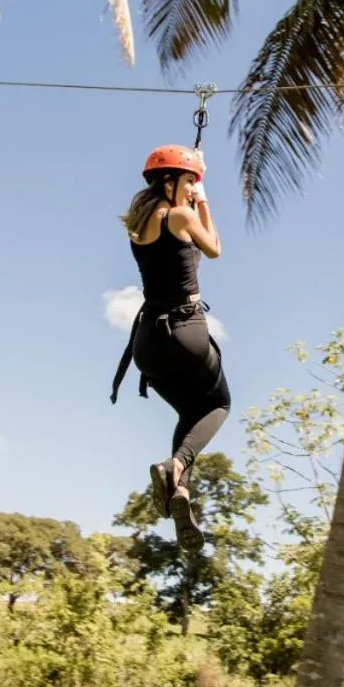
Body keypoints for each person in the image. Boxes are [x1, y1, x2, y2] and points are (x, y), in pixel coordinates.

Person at [110, 144, 230, 553]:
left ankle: (179, 487)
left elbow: (183, 253)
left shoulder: (137, 227)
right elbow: (214, 248)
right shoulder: (182, 216)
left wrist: (192, 185)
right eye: (188, 181)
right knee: (218, 405)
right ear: (168, 183)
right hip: (185, 332)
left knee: (189, 415)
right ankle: (175, 467)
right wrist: (204, 201)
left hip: (148, 345)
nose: (192, 187)